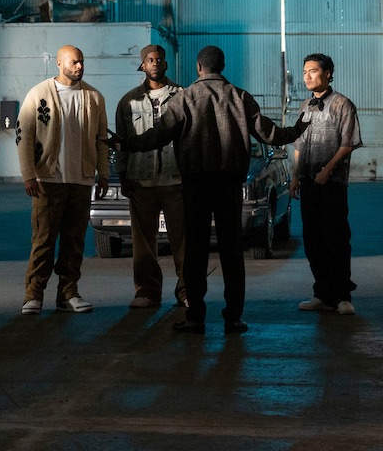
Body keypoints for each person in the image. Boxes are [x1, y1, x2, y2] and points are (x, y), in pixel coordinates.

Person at [115, 45, 308, 335]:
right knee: (231, 251)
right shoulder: (240, 97)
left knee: (195, 249)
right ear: (223, 65)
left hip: (194, 185)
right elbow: (270, 134)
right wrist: (297, 129)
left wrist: (126, 143)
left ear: (198, 67)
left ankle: (196, 317)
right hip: (230, 184)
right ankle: (233, 318)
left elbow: (158, 136)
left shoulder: (184, 98)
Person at [16, 45, 110, 315]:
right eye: (74, 62)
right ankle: (33, 295)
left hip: (80, 181)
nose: (79, 66)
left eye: (82, 61)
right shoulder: (39, 94)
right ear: (59, 63)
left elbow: (101, 139)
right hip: (48, 180)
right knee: (44, 240)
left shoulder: (93, 97)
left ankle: (68, 294)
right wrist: (28, 174)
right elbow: (24, 134)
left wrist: (102, 173)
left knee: (74, 240)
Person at [115, 44, 186, 309]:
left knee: (183, 239)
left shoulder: (183, 96)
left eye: (159, 59)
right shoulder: (128, 101)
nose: (155, 63)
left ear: (166, 64)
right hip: (141, 180)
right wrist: (122, 174)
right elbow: (121, 141)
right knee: (143, 241)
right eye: (150, 60)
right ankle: (146, 291)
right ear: (142, 66)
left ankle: (186, 290)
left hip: (175, 180)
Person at [291, 53, 362, 315]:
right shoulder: (304, 107)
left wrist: (327, 171)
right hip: (309, 183)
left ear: (329, 73)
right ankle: (321, 293)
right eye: (304, 72)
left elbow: (347, 145)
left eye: (312, 71)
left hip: (332, 185)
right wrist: (296, 177)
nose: (307, 76)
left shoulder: (343, 105)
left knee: (336, 239)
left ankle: (342, 297)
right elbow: (299, 146)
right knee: (313, 240)